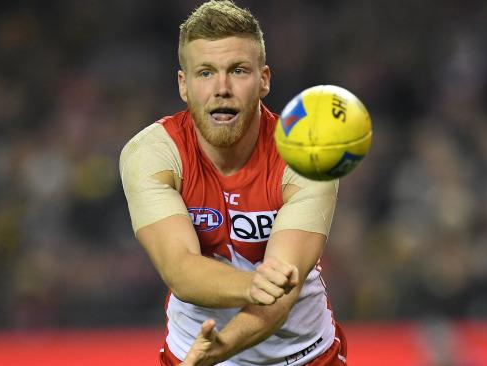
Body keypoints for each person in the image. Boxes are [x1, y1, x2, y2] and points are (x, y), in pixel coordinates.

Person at [120, 1, 347, 364]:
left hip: (302, 356)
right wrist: (254, 286)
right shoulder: (153, 153)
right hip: (194, 355)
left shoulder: (308, 155)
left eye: (238, 71)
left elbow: (283, 293)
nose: (221, 87)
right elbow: (180, 269)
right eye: (205, 73)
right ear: (184, 85)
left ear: (264, 80)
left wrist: (226, 347)